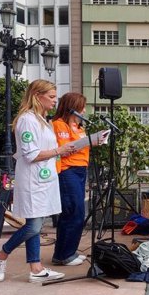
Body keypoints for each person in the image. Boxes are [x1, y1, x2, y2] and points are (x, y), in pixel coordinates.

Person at [0, 80, 74, 283]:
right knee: (34, 227)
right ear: (37, 96)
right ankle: (1, 255)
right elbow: (31, 154)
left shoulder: (42, 119)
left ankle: (36, 268)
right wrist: (59, 151)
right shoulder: (27, 120)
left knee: (35, 223)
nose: (56, 101)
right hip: (32, 180)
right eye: (52, 97)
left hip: (43, 178)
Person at [51, 92, 107, 266]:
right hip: (68, 170)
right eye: (81, 107)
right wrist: (89, 141)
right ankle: (62, 255)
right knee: (73, 210)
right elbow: (64, 148)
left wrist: (94, 141)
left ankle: (69, 251)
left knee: (77, 211)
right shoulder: (59, 125)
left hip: (81, 169)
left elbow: (80, 145)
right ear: (72, 108)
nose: (84, 110)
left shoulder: (80, 127)